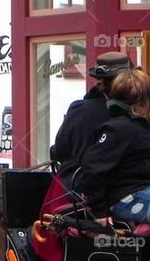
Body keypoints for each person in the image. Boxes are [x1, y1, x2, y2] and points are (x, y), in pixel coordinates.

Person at [74, 68, 150, 261]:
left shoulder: (139, 128)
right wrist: (99, 211)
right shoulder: (119, 129)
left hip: (141, 193)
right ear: (146, 102)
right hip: (127, 197)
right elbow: (92, 169)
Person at [52, 51, 133, 191]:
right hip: (111, 191)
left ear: (99, 82)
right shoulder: (132, 113)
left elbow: (60, 149)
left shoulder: (79, 110)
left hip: (73, 190)